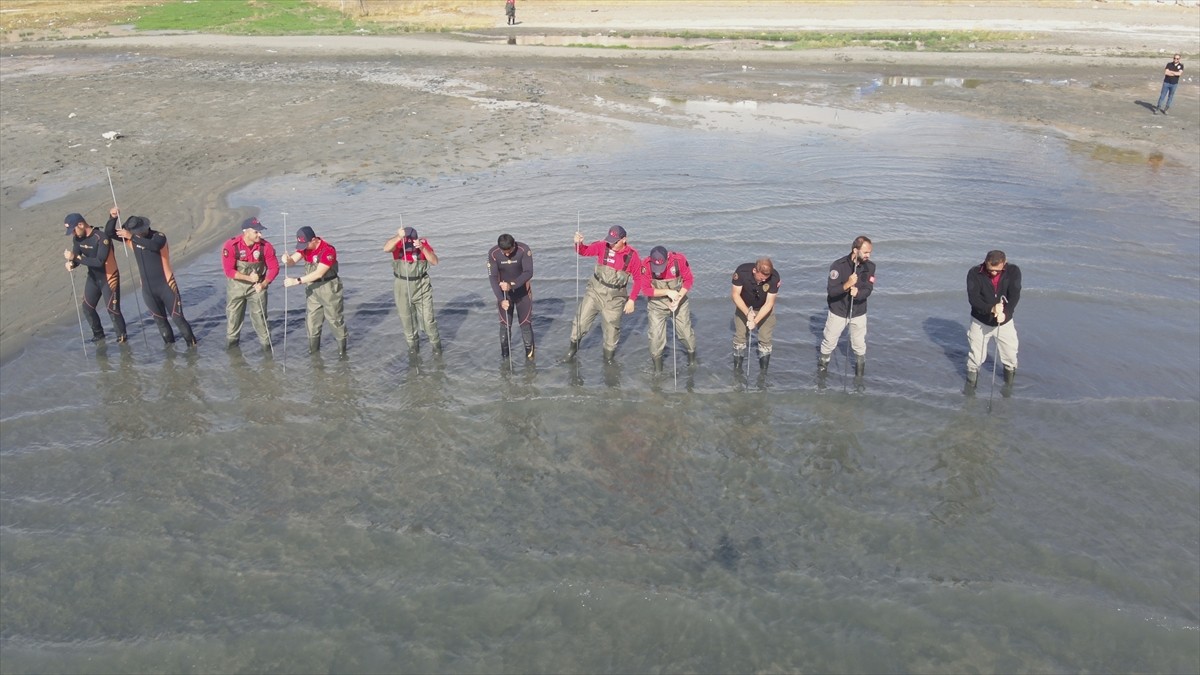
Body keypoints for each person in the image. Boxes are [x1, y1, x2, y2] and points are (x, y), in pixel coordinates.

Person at [114, 215, 197, 347]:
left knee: (178, 319)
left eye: (137, 232)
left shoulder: (158, 237)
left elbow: (154, 246)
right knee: (160, 322)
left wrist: (132, 237)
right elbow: (109, 233)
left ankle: (193, 351)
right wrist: (112, 217)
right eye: (133, 233)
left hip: (167, 286)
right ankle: (170, 357)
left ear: (145, 228)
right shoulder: (133, 240)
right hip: (148, 290)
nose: (136, 235)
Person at [566, 225, 640, 363]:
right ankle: (571, 352)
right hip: (595, 291)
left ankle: (608, 360)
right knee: (580, 322)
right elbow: (583, 251)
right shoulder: (602, 246)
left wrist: (632, 300)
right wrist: (578, 243)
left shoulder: (632, 255)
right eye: (610, 240)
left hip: (615, 298)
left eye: (615, 241)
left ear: (624, 239)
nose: (611, 244)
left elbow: (639, 279)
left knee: (612, 331)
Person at [63, 209, 127, 343]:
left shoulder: (101, 238)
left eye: (73, 230)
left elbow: (99, 262)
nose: (73, 234)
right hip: (93, 278)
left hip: (109, 277)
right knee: (87, 307)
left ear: (81, 225)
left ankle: (122, 339)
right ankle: (99, 336)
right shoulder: (77, 239)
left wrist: (76, 258)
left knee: (112, 310)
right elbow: (77, 258)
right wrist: (72, 264)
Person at [283, 226, 347, 355]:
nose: (302, 247)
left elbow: (319, 273)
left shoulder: (328, 250)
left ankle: (342, 353)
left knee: (335, 320)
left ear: (314, 240)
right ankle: (314, 352)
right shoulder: (304, 248)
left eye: (305, 244)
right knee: (312, 322)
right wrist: (287, 260)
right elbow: (292, 261)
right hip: (312, 289)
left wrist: (296, 281)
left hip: (329, 288)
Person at [818, 236, 876, 377]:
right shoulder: (838, 266)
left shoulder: (871, 267)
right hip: (838, 311)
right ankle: (822, 374)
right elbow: (831, 292)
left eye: (870, 253)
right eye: (865, 252)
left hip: (859, 312)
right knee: (829, 343)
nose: (868, 255)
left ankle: (859, 377)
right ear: (855, 250)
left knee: (859, 345)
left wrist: (858, 293)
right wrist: (847, 285)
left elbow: (868, 290)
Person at [965, 250, 1021, 391]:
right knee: (975, 359)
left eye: (997, 270)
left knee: (1010, 357)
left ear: (1004, 264)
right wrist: (991, 309)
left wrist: (1006, 314)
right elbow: (973, 299)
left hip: (1004, 323)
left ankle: (1008, 389)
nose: (994, 273)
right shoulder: (974, 273)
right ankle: (970, 390)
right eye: (990, 270)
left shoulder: (1013, 271)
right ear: (985, 262)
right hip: (980, 321)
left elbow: (1014, 296)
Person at [222, 216, 279, 350]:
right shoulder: (231, 246)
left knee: (261, 320)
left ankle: (267, 354)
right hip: (236, 287)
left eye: (260, 231)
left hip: (258, 288)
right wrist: (249, 278)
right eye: (256, 232)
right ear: (246, 232)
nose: (260, 234)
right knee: (233, 322)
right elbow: (229, 271)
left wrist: (264, 284)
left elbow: (274, 268)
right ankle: (232, 352)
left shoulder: (266, 247)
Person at [383, 225, 441, 354]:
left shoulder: (423, 245)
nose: (410, 247)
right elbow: (386, 248)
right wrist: (399, 236)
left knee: (428, 320)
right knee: (407, 322)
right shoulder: (398, 245)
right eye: (408, 243)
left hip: (421, 286)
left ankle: (437, 349)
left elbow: (435, 261)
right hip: (402, 286)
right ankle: (413, 351)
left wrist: (422, 248)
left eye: (412, 243)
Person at [638, 245, 697, 372]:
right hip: (656, 306)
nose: (659, 271)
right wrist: (668, 292)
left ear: (667, 258)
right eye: (656, 267)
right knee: (655, 338)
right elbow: (646, 290)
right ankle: (658, 371)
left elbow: (688, 280)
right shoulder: (646, 265)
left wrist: (678, 297)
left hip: (679, 302)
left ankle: (692, 362)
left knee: (685, 334)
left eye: (661, 266)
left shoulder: (678, 260)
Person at [487, 233, 534, 360]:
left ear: (514, 245)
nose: (507, 255)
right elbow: (492, 277)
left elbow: (529, 272)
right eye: (504, 252)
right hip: (504, 295)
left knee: (525, 324)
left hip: (522, 293)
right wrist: (501, 299)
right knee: (504, 325)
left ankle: (530, 364)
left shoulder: (524, 250)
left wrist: (512, 285)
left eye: (509, 251)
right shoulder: (493, 253)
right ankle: (505, 360)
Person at [730, 258, 780, 371]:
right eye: (761, 277)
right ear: (754, 270)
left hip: (764, 309)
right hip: (744, 306)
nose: (763, 281)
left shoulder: (774, 277)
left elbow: (769, 303)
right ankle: (737, 370)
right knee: (740, 337)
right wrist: (748, 313)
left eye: (766, 278)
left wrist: (755, 321)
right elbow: (735, 295)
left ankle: (763, 372)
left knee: (765, 339)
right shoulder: (741, 272)